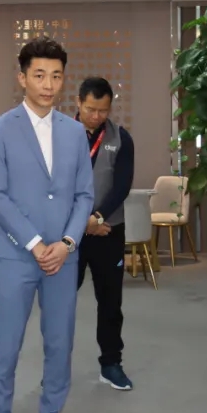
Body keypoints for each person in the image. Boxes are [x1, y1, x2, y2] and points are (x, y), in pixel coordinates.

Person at [0, 36, 94, 413]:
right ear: (22, 77)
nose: (48, 85)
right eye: (39, 75)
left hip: (63, 256)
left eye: (56, 76)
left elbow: (84, 195)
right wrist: (34, 242)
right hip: (17, 255)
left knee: (60, 341)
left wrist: (66, 243)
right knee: (7, 343)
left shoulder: (74, 131)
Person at [75, 77, 136, 390]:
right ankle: (55, 366)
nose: (96, 116)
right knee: (59, 302)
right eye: (90, 109)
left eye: (103, 110)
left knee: (110, 302)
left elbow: (122, 185)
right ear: (78, 103)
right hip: (69, 235)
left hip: (108, 230)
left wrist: (96, 218)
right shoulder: (60, 134)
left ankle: (111, 363)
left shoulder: (120, 138)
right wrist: (82, 223)